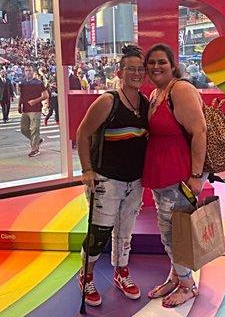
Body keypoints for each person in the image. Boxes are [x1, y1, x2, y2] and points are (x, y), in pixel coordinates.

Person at [76, 45, 149, 307]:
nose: (137, 73)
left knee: (125, 233)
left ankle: (121, 273)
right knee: (99, 234)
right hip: (107, 182)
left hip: (135, 181)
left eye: (141, 69)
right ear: (120, 72)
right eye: (131, 69)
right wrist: (87, 170)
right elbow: (83, 134)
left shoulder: (145, 103)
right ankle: (85, 276)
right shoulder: (108, 101)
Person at [142, 43, 207, 308]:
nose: (156, 67)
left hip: (178, 176)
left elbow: (200, 131)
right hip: (162, 174)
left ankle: (188, 285)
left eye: (162, 62)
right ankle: (176, 276)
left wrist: (195, 175)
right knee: (168, 230)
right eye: (152, 63)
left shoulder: (180, 89)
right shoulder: (158, 92)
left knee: (173, 235)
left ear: (172, 65)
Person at [18, 64, 49, 157]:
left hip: (35, 109)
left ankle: (35, 149)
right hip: (26, 109)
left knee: (35, 129)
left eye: (30, 70)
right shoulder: (22, 83)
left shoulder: (38, 83)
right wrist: (19, 105)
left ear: (33, 72)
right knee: (24, 129)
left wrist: (35, 101)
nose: (28, 72)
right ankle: (37, 140)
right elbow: (21, 95)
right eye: (26, 70)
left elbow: (46, 95)